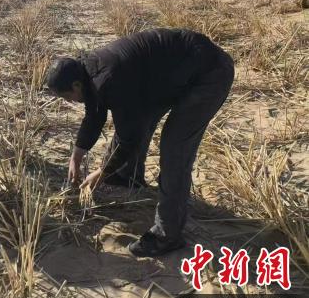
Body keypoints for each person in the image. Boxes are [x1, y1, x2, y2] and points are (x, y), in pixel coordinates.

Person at [46, 28, 234, 257]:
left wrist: (102, 172)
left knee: (174, 147)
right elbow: (95, 114)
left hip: (208, 74)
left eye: (68, 97)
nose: (71, 102)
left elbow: (128, 138)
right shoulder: (88, 71)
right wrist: (76, 156)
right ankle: (127, 176)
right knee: (139, 117)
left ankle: (167, 234)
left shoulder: (109, 79)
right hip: (172, 74)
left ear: (76, 85)